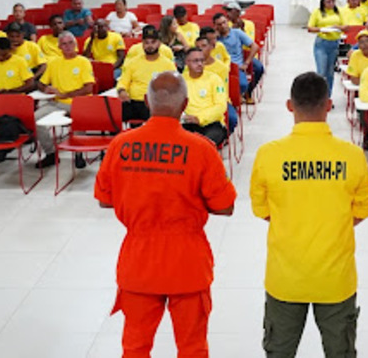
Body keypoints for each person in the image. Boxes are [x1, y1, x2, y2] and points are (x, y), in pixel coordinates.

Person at [95, 71, 236, 358]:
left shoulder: (120, 145)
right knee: (193, 347)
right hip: (187, 261)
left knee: (135, 346)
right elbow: (226, 206)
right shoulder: (201, 149)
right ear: (185, 105)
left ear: (146, 101)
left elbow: (105, 200)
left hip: (138, 261)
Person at [250, 72, 368, 358]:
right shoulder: (351, 156)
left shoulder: (269, 155)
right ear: (328, 105)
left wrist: (290, 219)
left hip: (285, 278)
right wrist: (334, 220)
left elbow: (262, 210)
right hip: (336, 279)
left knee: (279, 352)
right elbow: (362, 210)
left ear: (290, 106)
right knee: (340, 352)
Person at [35, 31, 95, 168]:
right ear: (59, 47)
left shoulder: (83, 62)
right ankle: (51, 153)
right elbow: (41, 83)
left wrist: (65, 95)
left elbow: (88, 89)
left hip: (79, 103)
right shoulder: (54, 63)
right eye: (64, 44)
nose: (68, 46)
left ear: (75, 44)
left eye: (70, 43)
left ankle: (78, 154)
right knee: (35, 119)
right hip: (56, 103)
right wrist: (45, 89)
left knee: (79, 120)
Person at [117, 26, 177, 124]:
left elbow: (174, 85)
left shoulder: (168, 64)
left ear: (159, 43)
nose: (150, 46)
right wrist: (122, 91)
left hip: (156, 103)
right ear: (142, 44)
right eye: (146, 43)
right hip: (135, 102)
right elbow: (123, 81)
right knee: (114, 114)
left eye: (153, 42)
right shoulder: (133, 62)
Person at [181, 47, 228, 145]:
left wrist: (200, 118)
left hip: (211, 124)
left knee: (203, 144)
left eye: (202, 60)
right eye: (195, 61)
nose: (199, 64)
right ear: (187, 62)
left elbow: (220, 106)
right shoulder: (180, 80)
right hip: (187, 123)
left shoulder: (214, 79)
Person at [213, 12, 263, 101]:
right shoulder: (214, 37)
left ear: (227, 21)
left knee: (243, 84)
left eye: (224, 22)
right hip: (220, 67)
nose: (223, 26)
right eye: (219, 24)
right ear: (215, 26)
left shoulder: (237, 33)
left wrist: (246, 63)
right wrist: (213, 38)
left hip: (236, 67)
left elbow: (255, 46)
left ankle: (246, 93)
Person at [307, 0, 345, 98]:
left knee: (330, 73)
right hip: (322, 43)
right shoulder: (317, 12)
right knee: (321, 72)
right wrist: (322, 29)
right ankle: (319, 97)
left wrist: (338, 27)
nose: (331, 4)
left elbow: (346, 26)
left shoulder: (338, 12)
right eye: (328, 1)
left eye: (333, 1)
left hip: (334, 44)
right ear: (323, 2)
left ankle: (328, 97)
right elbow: (310, 27)